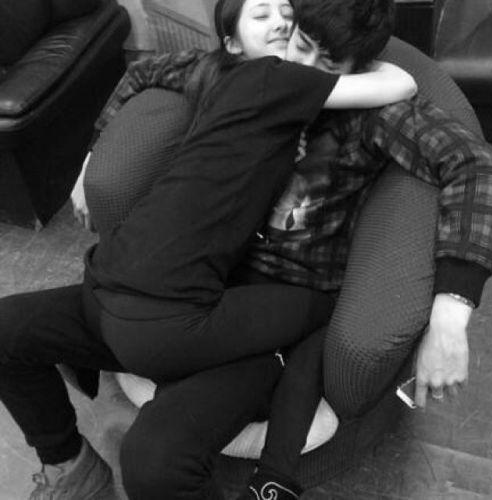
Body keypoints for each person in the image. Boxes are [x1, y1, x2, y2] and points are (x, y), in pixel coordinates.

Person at [71, 0, 492, 498]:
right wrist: (90, 159)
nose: (305, 67)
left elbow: (474, 164)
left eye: (328, 63)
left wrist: (451, 313)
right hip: (197, 286)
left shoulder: (374, 113)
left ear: (358, 70)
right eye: (301, 44)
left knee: (153, 456)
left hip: (281, 307)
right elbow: (143, 72)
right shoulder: (247, 75)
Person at [0, 1, 418, 499]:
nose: (280, 23)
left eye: (286, 15)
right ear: (232, 43)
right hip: (151, 299)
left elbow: (144, 69)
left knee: (156, 454)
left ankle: (272, 469)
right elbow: (400, 82)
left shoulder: (270, 83)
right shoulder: (265, 77)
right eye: (260, 15)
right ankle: (69, 463)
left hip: (188, 302)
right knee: (9, 330)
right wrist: (93, 158)